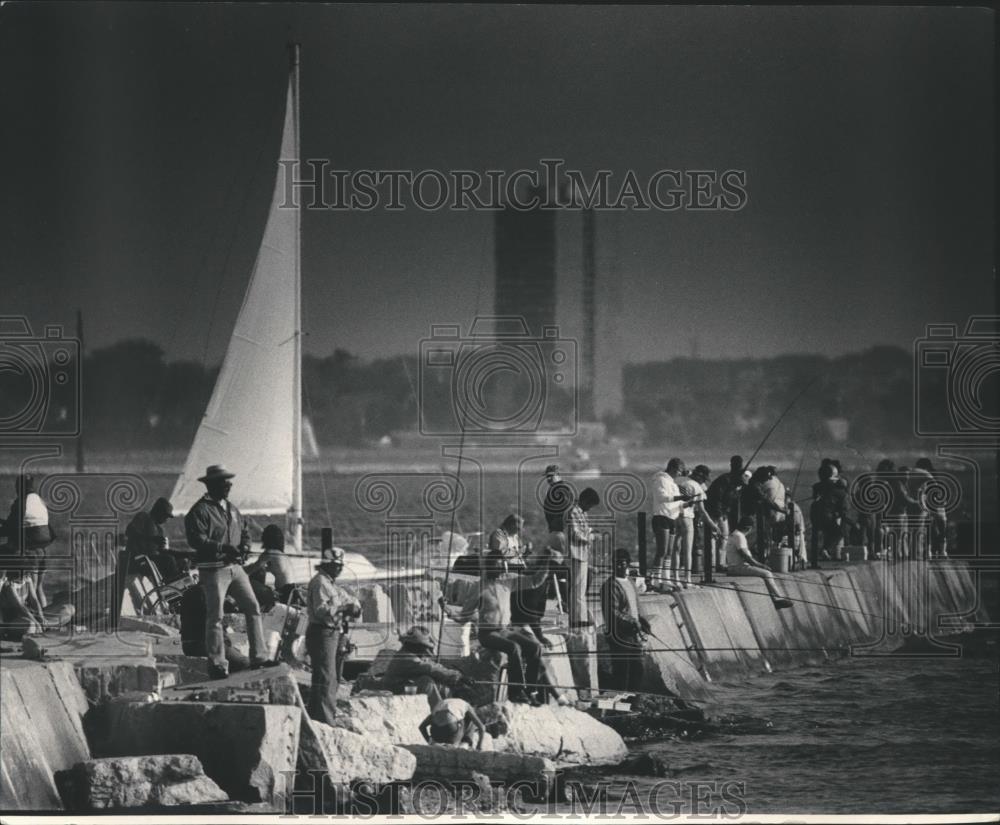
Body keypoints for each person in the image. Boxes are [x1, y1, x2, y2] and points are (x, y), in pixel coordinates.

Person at [184, 464, 268, 679]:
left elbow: (245, 531)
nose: (229, 485)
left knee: (253, 607)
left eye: (229, 481)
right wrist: (222, 548)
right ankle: (217, 663)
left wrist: (246, 548)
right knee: (215, 616)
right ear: (212, 485)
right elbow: (196, 540)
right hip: (214, 571)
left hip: (235, 568)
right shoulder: (199, 511)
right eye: (224, 482)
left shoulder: (232, 509)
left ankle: (260, 657)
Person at [440, 549, 551, 704]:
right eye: (494, 567)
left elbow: (535, 581)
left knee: (535, 648)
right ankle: (516, 692)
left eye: (500, 567)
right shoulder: (478, 587)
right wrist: (448, 610)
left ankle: (531, 690)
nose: (498, 571)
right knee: (514, 648)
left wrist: (546, 560)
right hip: (487, 634)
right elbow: (464, 616)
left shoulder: (508, 580)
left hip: (505, 630)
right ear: (488, 567)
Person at [305, 545, 361, 724]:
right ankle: (325, 719)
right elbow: (321, 610)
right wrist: (345, 608)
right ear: (327, 565)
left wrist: (354, 606)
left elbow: (347, 599)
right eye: (336, 565)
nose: (340, 568)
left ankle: (318, 715)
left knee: (330, 676)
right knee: (326, 677)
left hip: (332, 633)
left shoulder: (331, 584)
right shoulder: (320, 582)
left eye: (340, 565)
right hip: (322, 632)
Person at [382, 625, 475, 708]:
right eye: (423, 646)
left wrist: (456, 677)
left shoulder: (415, 655)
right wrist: (458, 677)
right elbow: (431, 669)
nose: (425, 650)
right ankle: (439, 713)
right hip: (396, 691)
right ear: (414, 645)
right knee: (426, 682)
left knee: (441, 687)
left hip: (406, 687)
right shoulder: (407, 658)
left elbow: (434, 665)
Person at [601, 548, 650, 691]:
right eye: (617, 563)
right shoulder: (610, 586)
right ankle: (621, 705)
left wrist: (642, 621)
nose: (620, 567)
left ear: (628, 564)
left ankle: (633, 704)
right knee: (622, 672)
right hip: (618, 635)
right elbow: (612, 612)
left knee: (637, 670)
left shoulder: (630, 582)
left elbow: (636, 606)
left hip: (633, 634)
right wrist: (631, 621)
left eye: (623, 563)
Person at [0, 474, 54, 605]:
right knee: (38, 589)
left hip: (28, 553)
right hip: (42, 551)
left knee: (30, 591)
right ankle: (44, 618)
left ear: (18, 487)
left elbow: (10, 528)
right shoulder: (39, 501)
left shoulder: (20, 503)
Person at [119, 497, 177, 615]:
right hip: (137, 560)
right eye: (165, 516)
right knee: (168, 560)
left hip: (150, 561)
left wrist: (184, 555)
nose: (166, 520)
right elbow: (129, 531)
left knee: (177, 560)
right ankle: (173, 597)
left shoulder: (159, 529)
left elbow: (163, 551)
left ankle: (176, 596)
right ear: (158, 511)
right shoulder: (143, 517)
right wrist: (152, 539)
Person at [178, 583, 250, 673]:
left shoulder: (190, 592)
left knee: (236, 654)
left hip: (188, 646)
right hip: (205, 645)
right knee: (245, 663)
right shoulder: (210, 593)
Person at [725, 516, 793, 609]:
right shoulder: (739, 536)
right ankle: (778, 598)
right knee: (767, 573)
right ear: (748, 528)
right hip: (738, 567)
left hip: (735, 566)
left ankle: (776, 598)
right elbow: (746, 556)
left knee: (764, 574)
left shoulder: (734, 534)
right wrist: (761, 565)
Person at [674, 464, 721, 588]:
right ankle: (687, 579)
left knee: (675, 549)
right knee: (687, 550)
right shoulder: (697, 487)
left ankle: (675, 578)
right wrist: (713, 526)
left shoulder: (677, 480)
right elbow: (702, 511)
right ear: (700, 477)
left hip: (672, 516)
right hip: (686, 518)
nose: (703, 482)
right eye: (704, 479)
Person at [650, 459, 691, 590]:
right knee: (661, 550)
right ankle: (656, 580)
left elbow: (677, 504)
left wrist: (688, 503)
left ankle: (666, 579)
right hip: (661, 517)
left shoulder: (673, 483)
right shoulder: (660, 480)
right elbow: (662, 498)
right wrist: (680, 498)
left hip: (672, 518)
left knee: (669, 551)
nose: (680, 474)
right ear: (673, 469)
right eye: (679, 471)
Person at [566, 487, 600, 625]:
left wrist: (591, 530)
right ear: (585, 501)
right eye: (590, 505)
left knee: (580, 588)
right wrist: (592, 536)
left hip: (582, 554)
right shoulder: (573, 512)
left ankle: (579, 617)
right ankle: (578, 619)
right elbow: (575, 534)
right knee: (578, 589)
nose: (590, 509)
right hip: (576, 554)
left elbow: (582, 529)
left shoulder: (582, 512)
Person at [706, 456, 745, 571]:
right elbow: (717, 497)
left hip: (722, 513)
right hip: (715, 513)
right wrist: (719, 514)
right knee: (714, 538)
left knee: (723, 537)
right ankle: (712, 565)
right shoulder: (725, 480)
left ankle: (720, 564)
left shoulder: (732, 481)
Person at [244, 523, 296, 599]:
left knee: (250, 582)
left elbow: (253, 569)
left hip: (284, 593)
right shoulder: (282, 555)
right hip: (292, 591)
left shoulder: (268, 553)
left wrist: (238, 569)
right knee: (260, 572)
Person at [810, 463, 849, 561]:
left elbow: (817, 492)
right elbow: (843, 510)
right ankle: (825, 549)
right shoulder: (840, 491)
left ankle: (818, 555)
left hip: (814, 515)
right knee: (838, 532)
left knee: (825, 531)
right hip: (827, 516)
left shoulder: (817, 487)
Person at [419, 697, 487, 749]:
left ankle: (434, 743)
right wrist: (479, 746)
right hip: (451, 731)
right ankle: (464, 745)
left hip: (436, 734)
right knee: (471, 720)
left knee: (457, 718)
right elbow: (482, 727)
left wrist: (429, 741)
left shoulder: (444, 702)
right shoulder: (467, 705)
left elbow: (422, 727)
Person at [914, 458, 948, 559]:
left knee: (929, 529)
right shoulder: (934, 474)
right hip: (938, 504)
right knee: (942, 529)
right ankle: (942, 552)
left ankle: (928, 551)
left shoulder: (922, 475)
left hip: (928, 504)